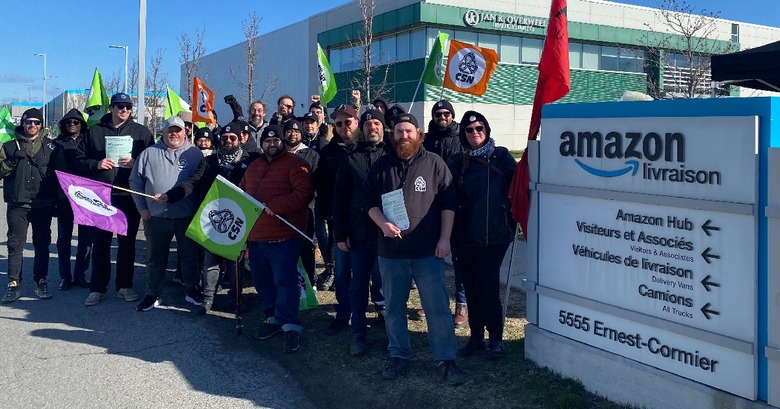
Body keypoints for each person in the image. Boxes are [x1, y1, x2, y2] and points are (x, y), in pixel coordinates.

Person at [364, 113, 464, 385]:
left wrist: (445, 239)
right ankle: (398, 355)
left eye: (408, 131)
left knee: (437, 308)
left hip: (428, 253)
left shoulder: (435, 164)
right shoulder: (380, 167)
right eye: (398, 132)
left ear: (418, 133)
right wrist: (382, 223)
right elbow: (369, 202)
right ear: (392, 135)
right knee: (394, 308)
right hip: (391, 253)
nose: (403, 136)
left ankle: (446, 358)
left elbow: (448, 204)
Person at [75, 92, 154, 307]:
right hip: (103, 196)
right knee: (100, 244)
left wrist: (136, 162)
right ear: (111, 108)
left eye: (128, 106)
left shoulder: (142, 132)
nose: (124, 110)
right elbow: (79, 159)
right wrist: (96, 164)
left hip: (128, 196)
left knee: (127, 244)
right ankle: (97, 289)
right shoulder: (94, 132)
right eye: (119, 106)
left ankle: (124, 286)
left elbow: (153, 161)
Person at [448, 111, 516, 360]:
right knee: (471, 288)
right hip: (464, 237)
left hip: (494, 236)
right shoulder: (456, 162)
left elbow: (519, 185)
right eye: (469, 129)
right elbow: (447, 197)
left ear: (486, 129)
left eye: (479, 128)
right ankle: (476, 337)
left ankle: (495, 338)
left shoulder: (502, 157)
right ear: (463, 134)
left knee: (487, 288)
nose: (475, 132)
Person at [240, 125, 314, 354]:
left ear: (283, 142)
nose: (272, 144)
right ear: (262, 144)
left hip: (284, 235)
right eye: (267, 141)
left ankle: (290, 323)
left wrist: (276, 207)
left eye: (276, 141)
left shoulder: (295, 165)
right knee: (263, 281)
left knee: (285, 281)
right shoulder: (253, 167)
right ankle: (272, 316)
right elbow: (242, 194)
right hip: (256, 237)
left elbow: (304, 193)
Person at [129, 116, 206, 312]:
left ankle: (191, 290)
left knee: (189, 256)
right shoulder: (148, 153)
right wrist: (142, 209)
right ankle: (153, 292)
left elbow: (199, 184)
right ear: (163, 132)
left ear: (185, 131)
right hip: (156, 217)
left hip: (186, 216)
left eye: (178, 130)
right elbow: (135, 182)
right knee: (155, 257)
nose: (174, 133)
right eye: (170, 130)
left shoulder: (194, 154)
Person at [333, 109, 387, 356]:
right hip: (358, 234)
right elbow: (340, 198)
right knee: (358, 285)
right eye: (368, 124)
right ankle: (358, 333)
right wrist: (340, 232)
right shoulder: (350, 158)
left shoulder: (393, 155)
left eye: (377, 123)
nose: (372, 127)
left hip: (388, 233)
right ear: (361, 129)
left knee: (386, 283)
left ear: (383, 127)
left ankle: (391, 329)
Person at [197, 122, 260, 312]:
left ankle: (235, 298)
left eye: (232, 137)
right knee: (211, 261)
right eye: (224, 138)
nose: (228, 141)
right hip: (213, 218)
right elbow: (197, 185)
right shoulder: (210, 161)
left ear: (241, 139)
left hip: (239, 218)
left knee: (235, 263)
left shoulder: (251, 160)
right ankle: (208, 299)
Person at [0, 108, 57, 302]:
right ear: (23, 123)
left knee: (42, 244)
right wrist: (13, 160)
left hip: (43, 203)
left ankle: (40, 280)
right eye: (29, 121)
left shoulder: (51, 146)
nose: (33, 125)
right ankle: (13, 283)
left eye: (37, 122)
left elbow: (60, 175)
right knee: (15, 244)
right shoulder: (8, 146)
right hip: (18, 202)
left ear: (42, 125)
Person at [422, 99, 468, 328]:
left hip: (458, 206)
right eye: (438, 114)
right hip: (431, 206)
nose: (442, 117)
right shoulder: (426, 140)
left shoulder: (462, 137)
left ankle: (461, 304)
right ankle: (431, 300)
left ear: (452, 115)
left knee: (459, 259)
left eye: (446, 113)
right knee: (431, 257)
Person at [316, 103, 359, 333]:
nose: (343, 126)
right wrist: (326, 211)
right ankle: (344, 313)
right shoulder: (329, 152)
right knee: (342, 270)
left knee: (372, 271)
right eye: (339, 123)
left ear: (357, 122)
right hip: (340, 221)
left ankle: (379, 309)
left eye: (347, 121)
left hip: (368, 221)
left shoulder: (366, 147)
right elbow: (322, 185)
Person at [52, 108, 93, 291]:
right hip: (64, 198)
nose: (72, 125)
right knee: (64, 239)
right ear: (63, 125)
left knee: (86, 239)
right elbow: (50, 173)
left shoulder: (89, 142)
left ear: (81, 124)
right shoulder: (56, 144)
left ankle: (81, 274)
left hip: (85, 198)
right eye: (68, 122)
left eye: (76, 122)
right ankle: (65, 277)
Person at [284, 119, 319, 286]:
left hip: (306, 208)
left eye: (296, 131)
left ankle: (310, 280)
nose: (293, 134)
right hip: (283, 208)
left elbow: (317, 180)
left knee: (306, 244)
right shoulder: (279, 154)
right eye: (289, 131)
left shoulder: (311, 154)